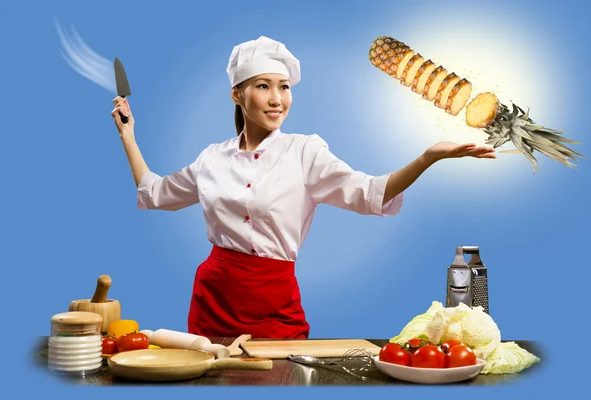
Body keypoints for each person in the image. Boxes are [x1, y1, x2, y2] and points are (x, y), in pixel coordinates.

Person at [111, 36, 496, 339]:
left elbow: (369, 192)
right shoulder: (211, 157)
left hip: (275, 302)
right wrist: (128, 135)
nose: (277, 99)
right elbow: (156, 192)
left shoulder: (305, 152)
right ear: (237, 95)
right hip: (213, 301)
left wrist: (427, 158)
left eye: (284, 87)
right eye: (263, 86)